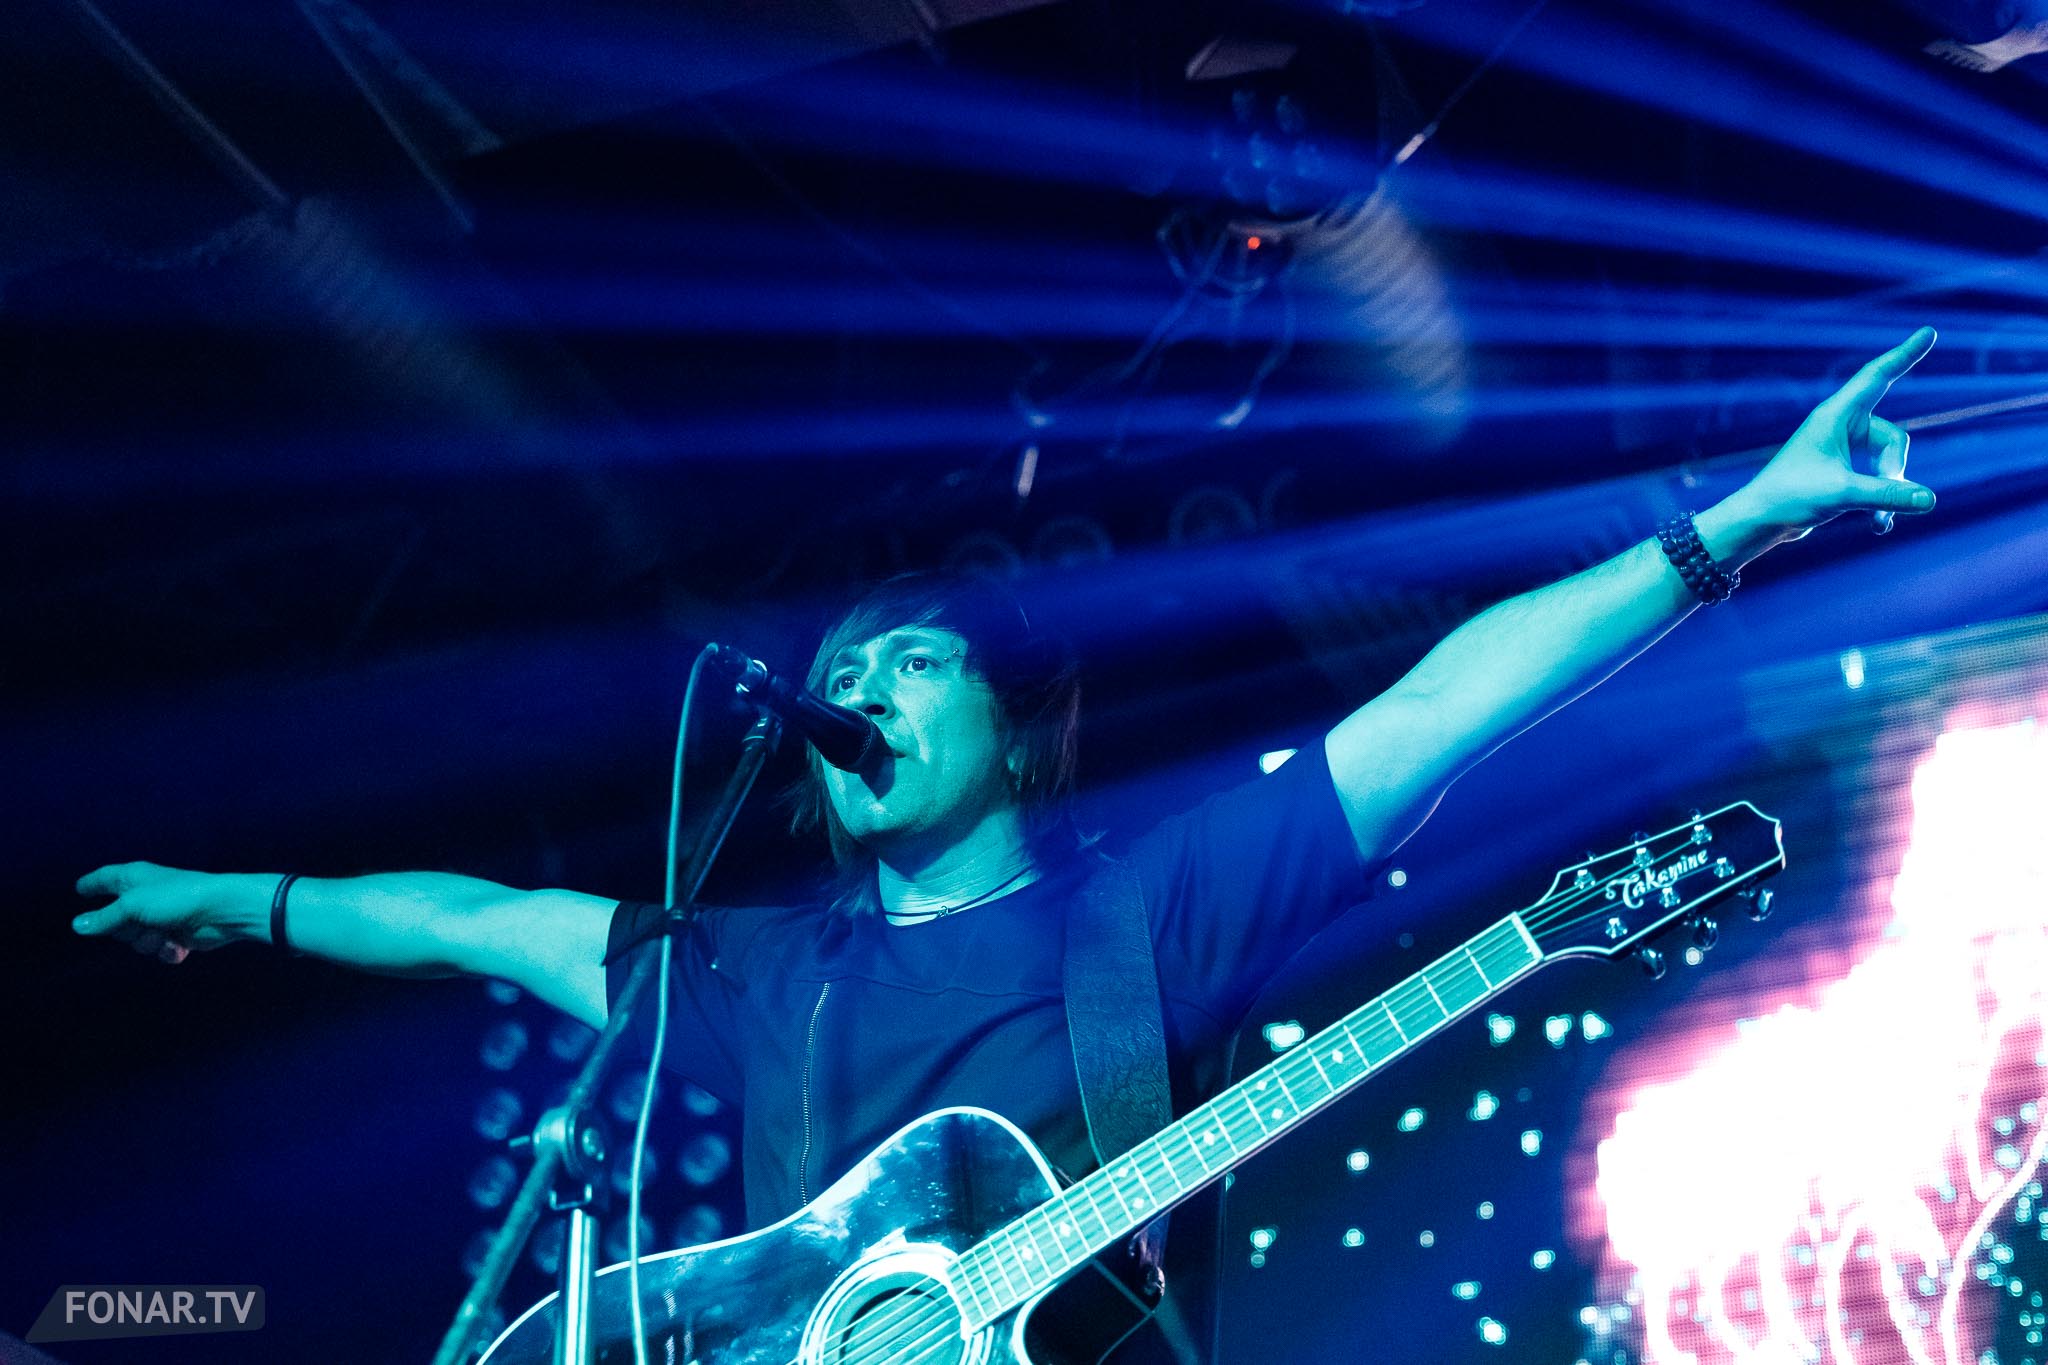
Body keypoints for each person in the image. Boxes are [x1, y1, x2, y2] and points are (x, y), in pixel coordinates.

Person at [73, 331, 1943, 1361]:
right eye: (836, 674)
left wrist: (1733, 524)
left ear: (1012, 717)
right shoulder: (772, 971)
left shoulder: (1154, 912)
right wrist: (235, 898)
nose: (857, 691)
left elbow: (1439, 706)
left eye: (906, 660)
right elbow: (486, 918)